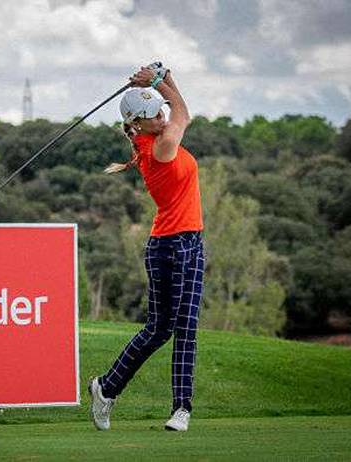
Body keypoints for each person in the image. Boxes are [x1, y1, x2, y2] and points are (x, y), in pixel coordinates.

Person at [88, 64, 205, 432]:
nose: (161, 113)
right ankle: (167, 404)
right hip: (176, 245)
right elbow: (183, 112)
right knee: (171, 328)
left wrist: (161, 77)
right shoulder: (162, 147)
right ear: (138, 125)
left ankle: (112, 390)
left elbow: (173, 108)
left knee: (170, 328)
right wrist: (158, 82)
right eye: (152, 112)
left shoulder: (150, 137)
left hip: (176, 244)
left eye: (158, 107)